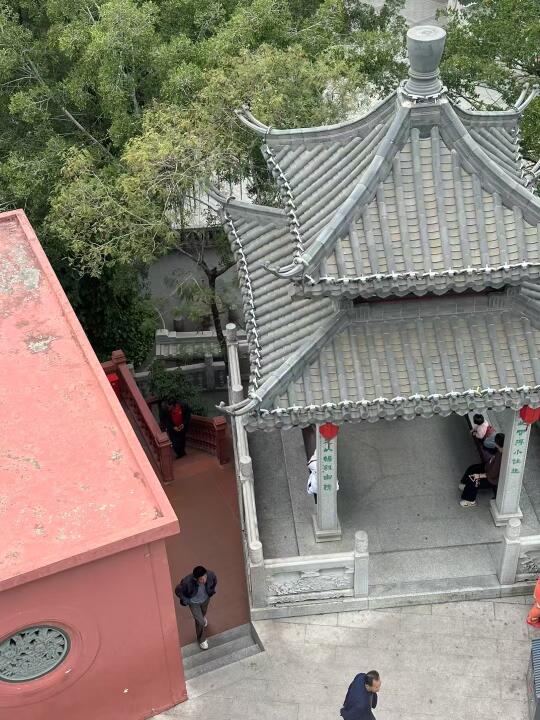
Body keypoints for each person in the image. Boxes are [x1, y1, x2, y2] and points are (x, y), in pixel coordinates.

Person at [175, 566, 217, 650]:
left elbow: (214, 581)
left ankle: (202, 618)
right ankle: (202, 640)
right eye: (201, 579)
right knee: (200, 621)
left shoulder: (211, 574)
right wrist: (187, 600)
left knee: (203, 612)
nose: (204, 580)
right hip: (194, 603)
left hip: (205, 599)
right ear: (195, 579)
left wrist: (212, 590)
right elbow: (178, 591)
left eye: (205, 577)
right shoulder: (187, 582)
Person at [459, 432, 505, 507]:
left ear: (497, 444)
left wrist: (478, 475)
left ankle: (470, 501)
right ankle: (466, 484)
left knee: (473, 479)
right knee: (472, 468)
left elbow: (492, 474)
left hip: (491, 479)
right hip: (488, 467)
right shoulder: (500, 450)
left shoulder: (501, 458)